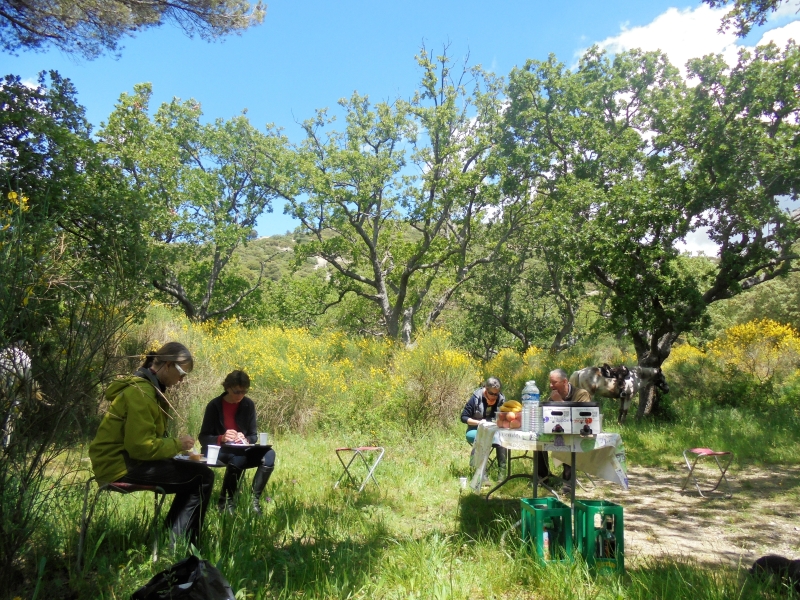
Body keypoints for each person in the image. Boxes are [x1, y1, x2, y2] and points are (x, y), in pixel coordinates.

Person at [88, 342, 214, 547]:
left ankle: (172, 540)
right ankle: (177, 546)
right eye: (182, 373)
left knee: (195, 472)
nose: (182, 380)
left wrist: (172, 448)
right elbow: (140, 447)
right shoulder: (142, 392)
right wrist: (176, 445)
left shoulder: (145, 386)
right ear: (168, 365)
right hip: (118, 466)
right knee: (202, 476)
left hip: (118, 461)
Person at [198, 370, 275, 515]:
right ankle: (226, 502)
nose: (240, 395)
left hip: (241, 449)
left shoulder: (248, 405)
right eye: (236, 391)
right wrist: (222, 438)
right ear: (227, 387)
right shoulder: (214, 406)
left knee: (269, 454)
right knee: (238, 458)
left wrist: (246, 440)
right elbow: (203, 437)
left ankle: (254, 501)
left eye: (244, 392)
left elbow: (253, 435)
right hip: (219, 450)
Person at [548, 368, 591, 493]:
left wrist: (559, 402)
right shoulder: (554, 395)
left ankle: (568, 483)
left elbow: (581, 417)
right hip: (557, 433)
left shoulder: (581, 394)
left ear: (565, 381)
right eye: (550, 383)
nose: (551, 386)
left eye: (554, 382)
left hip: (578, 435)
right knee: (537, 443)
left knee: (568, 441)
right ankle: (542, 477)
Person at [461, 376, 508, 475]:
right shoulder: (476, 398)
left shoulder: (501, 399)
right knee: (483, 436)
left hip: (494, 429)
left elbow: (504, 416)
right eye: (491, 393)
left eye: (496, 394)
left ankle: (502, 473)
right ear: (486, 389)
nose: (494, 396)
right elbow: (464, 417)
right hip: (476, 428)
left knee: (502, 438)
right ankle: (481, 473)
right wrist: (479, 422)